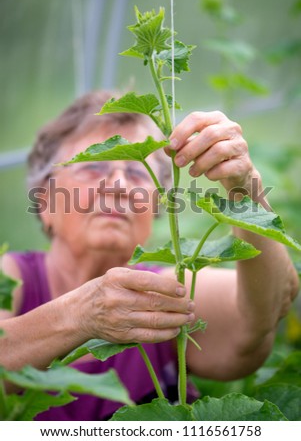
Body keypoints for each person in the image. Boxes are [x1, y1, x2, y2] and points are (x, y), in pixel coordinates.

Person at [0, 90, 298, 420]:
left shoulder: (167, 291)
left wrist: (245, 185)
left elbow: (262, 315)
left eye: (138, 172)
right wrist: (80, 314)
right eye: (93, 166)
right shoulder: (10, 278)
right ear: (43, 200)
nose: (118, 185)